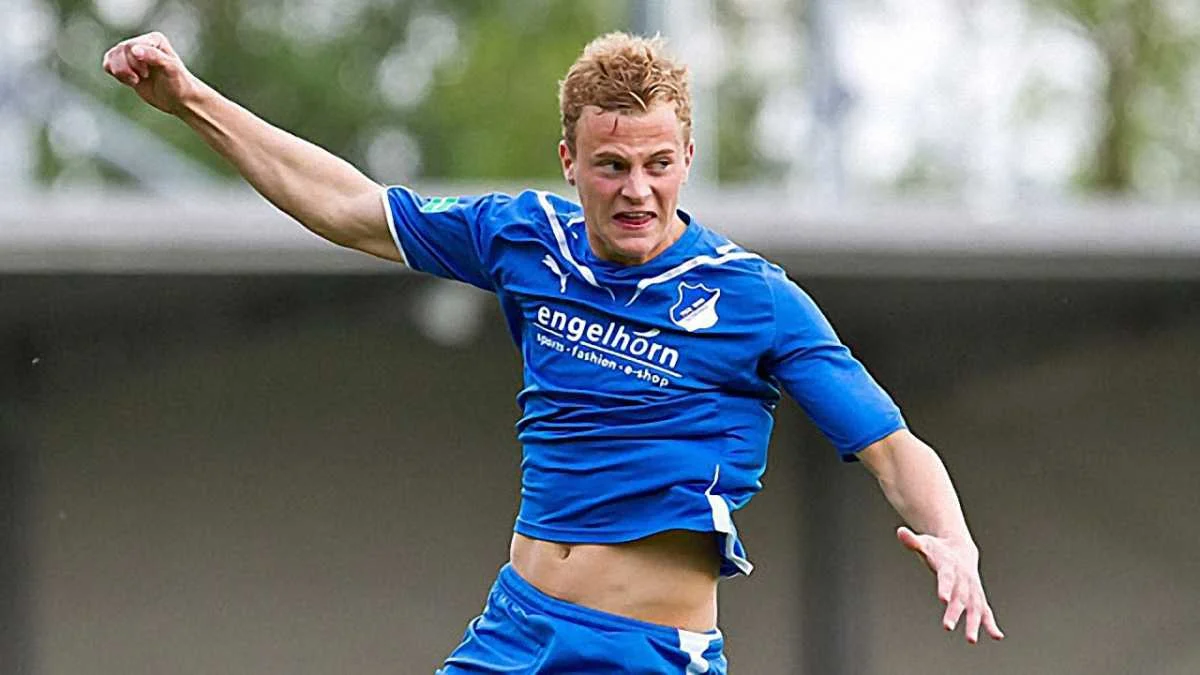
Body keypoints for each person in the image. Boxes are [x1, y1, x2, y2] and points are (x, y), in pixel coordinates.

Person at [103, 30, 1003, 673]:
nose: (637, 190)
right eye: (612, 165)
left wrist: (955, 538)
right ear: (569, 159)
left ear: (688, 155)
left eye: (658, 163)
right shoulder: (525, 237)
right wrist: (190, 100)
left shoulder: (753, 298)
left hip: (646, 651)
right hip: (518, 627)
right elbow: (348, 207)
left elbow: (893, 449)